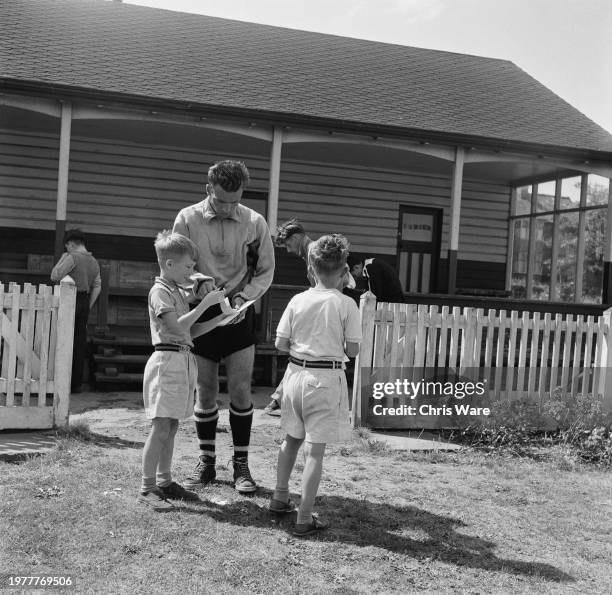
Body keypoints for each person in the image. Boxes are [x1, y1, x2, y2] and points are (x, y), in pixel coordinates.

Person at [173, 160, 275, 494]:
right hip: (201, 313)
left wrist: (244, 298)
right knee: (205, 391)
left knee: (242, 389)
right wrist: (197, 283)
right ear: (208, 190)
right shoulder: (186, 219)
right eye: (220, 201)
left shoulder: (255, 222)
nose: (228, 207)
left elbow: (265, 271)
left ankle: (242, 466)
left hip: (240, 314)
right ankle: (206, 462)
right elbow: (175, 265)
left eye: (234, 201)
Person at [269, 234, 361, 536]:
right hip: (324, 378)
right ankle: (304, 517)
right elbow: (353, 351)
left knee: (291, 439)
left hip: (294, 374)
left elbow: (281, 343)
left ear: (312, 265)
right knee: (315, 452)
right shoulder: (346, 304)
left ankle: (279, 497)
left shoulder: (298, 300)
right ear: (343, 269)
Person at [138, 231, 225, 511]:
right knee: (161, 425)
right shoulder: (160, 291)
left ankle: (164, 481)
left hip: (182, 359)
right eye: (188, 266)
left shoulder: (176, 291)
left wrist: (222, 318)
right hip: (167, 362)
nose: (192, 272)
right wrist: (205, 305)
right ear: (169, 264)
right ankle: (147, 487)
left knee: (172, 425)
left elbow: (191, 330)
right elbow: (175, 328)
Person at [265, 219, 357, 416]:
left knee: (306, 353)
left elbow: (342, 282)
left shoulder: (316, 251)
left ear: (297, 237)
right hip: (328, 305)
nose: (289, 250)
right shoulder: (311, 252)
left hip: (332, 308)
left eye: (289, 245)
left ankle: (279, 398)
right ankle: (278, 398)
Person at [50, 228, 101, 393]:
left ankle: (61, 382)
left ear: (71, 244)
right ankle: (76, 384)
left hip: (70, 300)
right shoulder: (94, 261)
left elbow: (55, 275)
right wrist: (88, 305)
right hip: (85, 301)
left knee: (63, 339)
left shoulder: (71, 257)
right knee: (79, 342)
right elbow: (97, 286)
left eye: (67, 247)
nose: (67, 250)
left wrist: (64, 257)